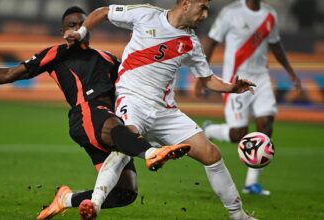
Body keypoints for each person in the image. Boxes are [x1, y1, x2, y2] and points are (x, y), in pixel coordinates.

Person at [0, 6, 191, 220]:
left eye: (81, 24)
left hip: (107, 123)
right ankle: (150, 153)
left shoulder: (108, 58)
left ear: (88, 28)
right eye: (71, 25)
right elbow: (9, 74)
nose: (76, 29)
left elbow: (135, 81)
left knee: (126, 192)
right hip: (87, 116)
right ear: (63, 32)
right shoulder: (56, 54)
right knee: (114, 125)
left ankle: (66, 199)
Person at [64, 1, 258, 219]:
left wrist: (232, 87)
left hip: (166, 111)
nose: (204, 15)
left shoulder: (191, 43)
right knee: (126, 142)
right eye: (201, 7)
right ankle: (95, 205)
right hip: (132, 100)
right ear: (185, 4)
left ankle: (238, 215)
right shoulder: (146, 14)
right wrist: (81, 32)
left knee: (211, 154)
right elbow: (104, 12)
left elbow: (208, 79)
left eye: (207, 10)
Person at [196, 0, 302, 195]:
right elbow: (212, 41)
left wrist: (290, 71)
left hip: (261, 78)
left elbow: (275, 44)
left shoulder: (270, 14)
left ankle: (251, 183)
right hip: (235, 80)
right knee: (239, 134)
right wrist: (201, 75)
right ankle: (210, 130)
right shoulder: (231, 12)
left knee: (266, 124)